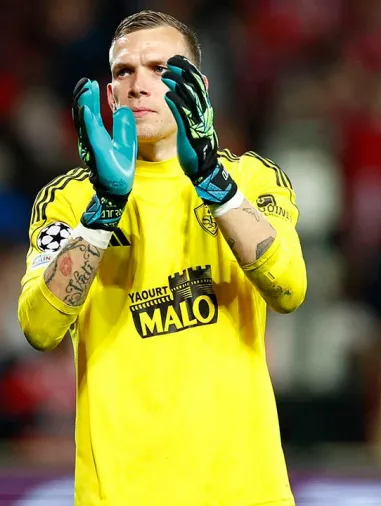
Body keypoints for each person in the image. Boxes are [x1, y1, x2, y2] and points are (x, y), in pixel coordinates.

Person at [17, 11, 306, 506]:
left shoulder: (252, 180)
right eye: (124, 72)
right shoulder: (68, 200)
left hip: (244, 491)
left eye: (160, 68)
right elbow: (40, 327)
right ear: (109, 94)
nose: (139, 84)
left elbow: (289, 289)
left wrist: (214, 182)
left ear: (199, 87)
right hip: (122, 494)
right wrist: (104, 210)